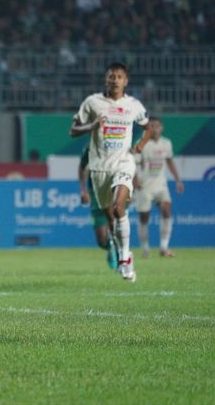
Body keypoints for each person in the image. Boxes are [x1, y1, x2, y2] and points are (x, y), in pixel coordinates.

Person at [70, 62, 150, 282]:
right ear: (106, 80)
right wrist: (92, 126)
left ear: (126, 81)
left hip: (124, 163)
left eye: (119, 76)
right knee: (111, 219)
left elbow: (148, 126)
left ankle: (124, 259)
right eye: (111, 76)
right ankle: (125, 254)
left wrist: (141, 144)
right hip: (99, 170)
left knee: (118, 206)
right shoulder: (92, 103)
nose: (115, 80)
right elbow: (73, 130)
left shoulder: (133, 104)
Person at [133, 116, 184, 258]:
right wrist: (135, 179)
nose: (154, 129)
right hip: (145, 186)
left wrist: (178, 180)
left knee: (167, 210)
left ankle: (163, 247)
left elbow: (170, 161)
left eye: (157, 126)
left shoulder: (166, 144)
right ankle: (145, 249)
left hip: (161, 185)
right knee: (144, 217)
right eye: (152, 126)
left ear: (161, 128)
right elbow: (134, 164)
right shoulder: (141, 144)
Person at [78, 145, 118, 270]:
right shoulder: (90, 148)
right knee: (101, 240)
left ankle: (123, 257)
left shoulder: (118, 144)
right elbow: (82, 167)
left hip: (114, 188)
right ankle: (109, 246)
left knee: (114, 220)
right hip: (95, 192)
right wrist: (83, 191)